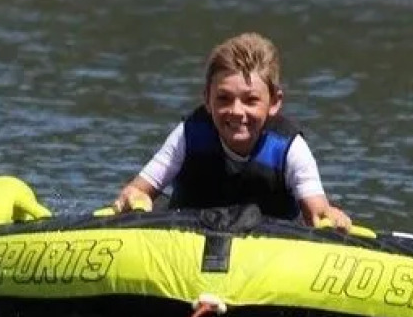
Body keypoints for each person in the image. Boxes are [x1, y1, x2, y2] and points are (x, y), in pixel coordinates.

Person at [111, 33, 352, 230]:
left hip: (272, 255)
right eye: (224, 99)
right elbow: (138, 189)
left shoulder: (289, 148)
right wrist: (135, 199)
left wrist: (330, 216)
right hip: (185, 247)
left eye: (251, 100)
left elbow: (317, 212)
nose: (236, 111)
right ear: (207, 99)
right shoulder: (189, 135)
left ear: (275, 103)